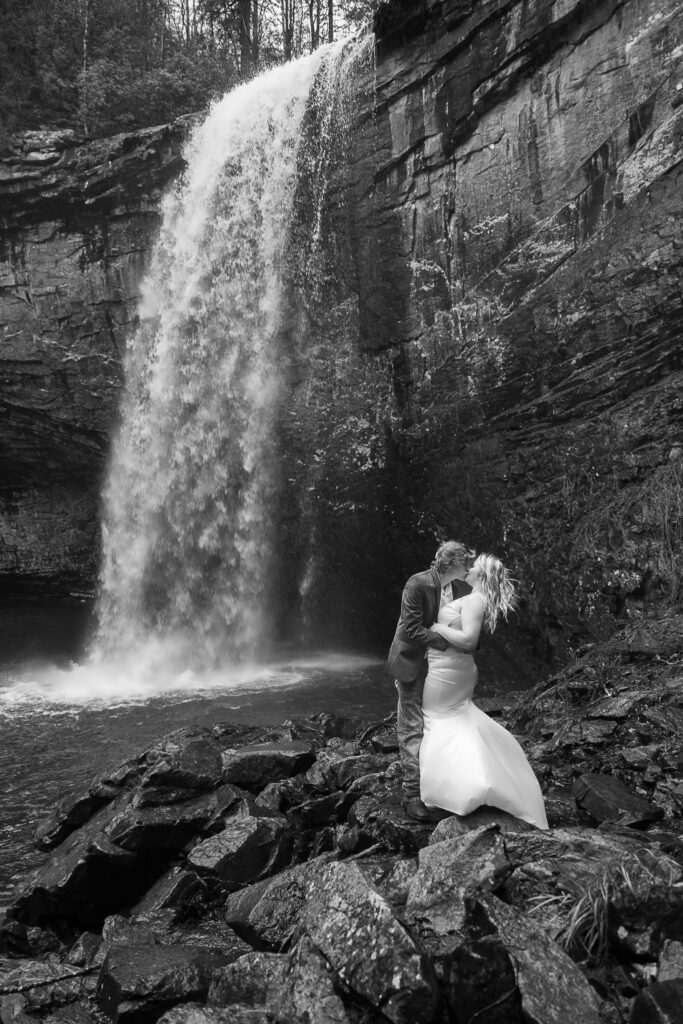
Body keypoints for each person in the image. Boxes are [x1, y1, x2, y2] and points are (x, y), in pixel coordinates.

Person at [419, 552, 548, 829]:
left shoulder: (476, 600)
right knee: (452, 720)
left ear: (483, 575)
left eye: (474, 565)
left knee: (436, 719)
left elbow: (468, 641)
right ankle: (467, 781)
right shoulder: (470, 598)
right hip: (448, 668)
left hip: (451, 671)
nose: (469, 566)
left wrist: (437, 626)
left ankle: (454, 789)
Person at [386, 541, 476, 822]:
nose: (470, 568)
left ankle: (441, 788)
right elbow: (411, 628)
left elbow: (469, 625)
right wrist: (446, 643)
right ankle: (412, 795)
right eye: (466, 563)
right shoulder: (417, 584)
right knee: (412, 728)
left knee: (442, 725)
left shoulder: (463, 589)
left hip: (445, 670)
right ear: (452, 563)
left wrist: (467, 642)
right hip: (413, 662)